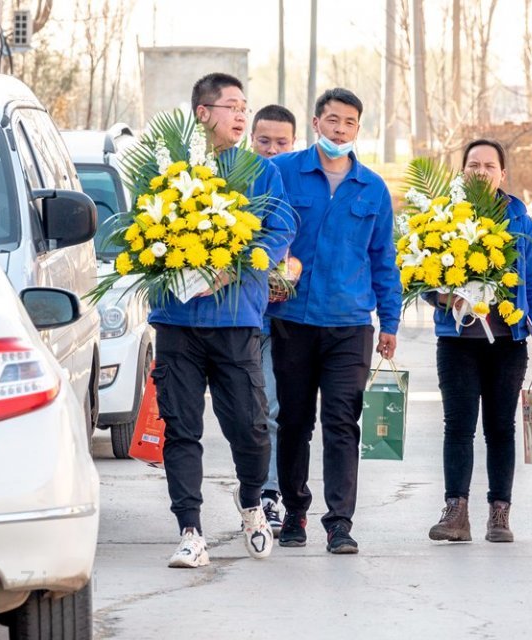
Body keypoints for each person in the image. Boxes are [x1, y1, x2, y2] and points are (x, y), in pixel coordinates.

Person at [150, 73, 294, 569]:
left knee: (252, 428)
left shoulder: (259, 171)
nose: (240, 114)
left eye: (243, 106)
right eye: (231, 105)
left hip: (236, 322)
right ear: (202, 112)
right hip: (177, 320)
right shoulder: (167, 166)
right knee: (181, 428)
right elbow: (143, 228)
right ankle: (190, 531)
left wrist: (237, 263)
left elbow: (282, 225)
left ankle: (251, 501)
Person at [268, 88, 402, 554]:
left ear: (358, 129)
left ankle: (339, 522)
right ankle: (294, 512)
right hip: (292, 320)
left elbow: (384, 257)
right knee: (295, 421)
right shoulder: (283, 172)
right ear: (315, 122)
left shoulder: (373, 188)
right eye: (332, 120)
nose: (339, 128)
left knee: (342, 421)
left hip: (350, 323)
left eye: (348, 122)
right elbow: (259, 232)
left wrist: (390, 321)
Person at [427, 139, 532, 544]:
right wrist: (442, 295)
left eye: (489, 165)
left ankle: (499, 514)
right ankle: (456, 512)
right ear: (461, 172)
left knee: (500, 427)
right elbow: (423, 272)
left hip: (508, 342)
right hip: (457, 340)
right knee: (458, 427)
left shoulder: (520, 219)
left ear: (503, 174)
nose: (481, 171)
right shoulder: (443, 216)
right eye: (473, 164)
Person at [249, 104, 297, 536]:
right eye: (264, 141)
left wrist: (292, 272)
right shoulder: (236, 181)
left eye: (281, 143)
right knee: (246, 413)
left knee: (272, 410)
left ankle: (268, 494)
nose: (272, 150)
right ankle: (251, 491)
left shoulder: (298, 181)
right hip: (235, 319)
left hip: (280, 322)